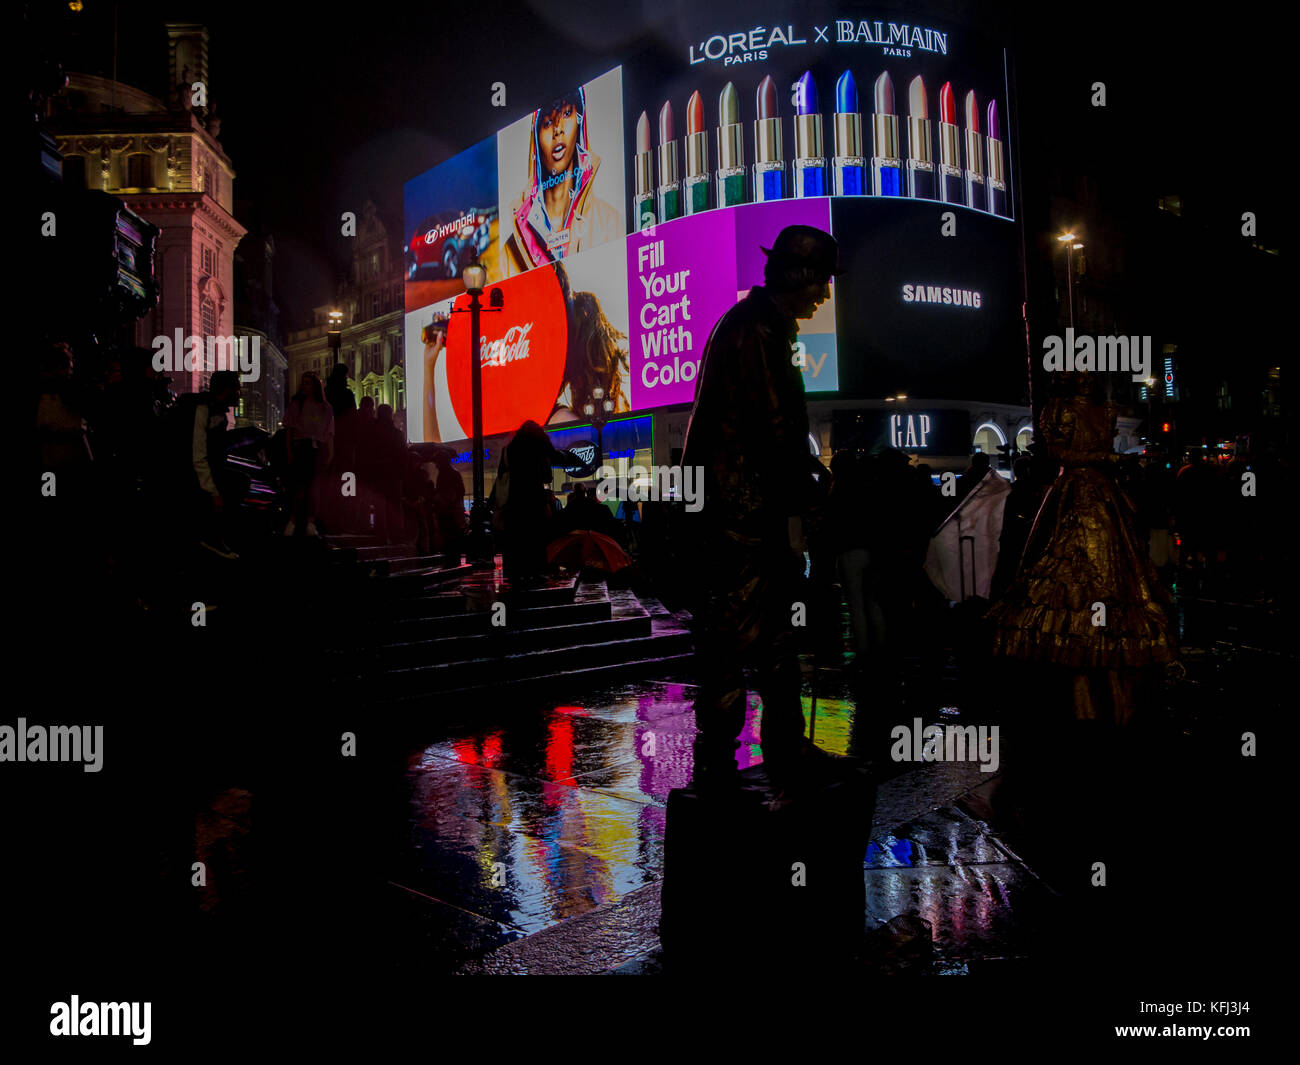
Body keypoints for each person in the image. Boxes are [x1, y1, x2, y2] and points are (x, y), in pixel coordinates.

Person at [682, 224, 841, 791]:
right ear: (797, 278)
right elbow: (773, 427)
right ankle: (717, 761)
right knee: (730, 639)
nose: (824, 296)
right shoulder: (754, 330)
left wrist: (807, 476)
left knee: (774, 637)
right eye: (820, 282)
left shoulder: (763, 325)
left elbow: (780, 432)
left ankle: (784, 747)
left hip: (753, 511)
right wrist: (813, 484)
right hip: (737, 517)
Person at [502, 87, 621, 275]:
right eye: (548, 122)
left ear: (579, 120)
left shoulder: (610, 222)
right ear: (536, 137)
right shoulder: (509, 251)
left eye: (567, 114)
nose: (558, 130)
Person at [172, 370, 242, 559]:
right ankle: (212, 537)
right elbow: (198, 454)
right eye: (238, 388)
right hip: (192, 476)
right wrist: (213, 491)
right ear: (227, 390)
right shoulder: (204, 409)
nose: (240, 393)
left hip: (207, 472)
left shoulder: (216, 410)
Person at [283, 371, 334, 537]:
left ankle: (309, 523)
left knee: (314, 488)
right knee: (298, 487)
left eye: (308, 383)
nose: (304, 386)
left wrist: (329, 453)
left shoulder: (325, 407)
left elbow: (329, 434)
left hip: (316, 448)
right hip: (302, 446)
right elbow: (289, 430)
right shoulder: (296, 404)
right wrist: (290, 451)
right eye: (303, 383)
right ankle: (293, 521)